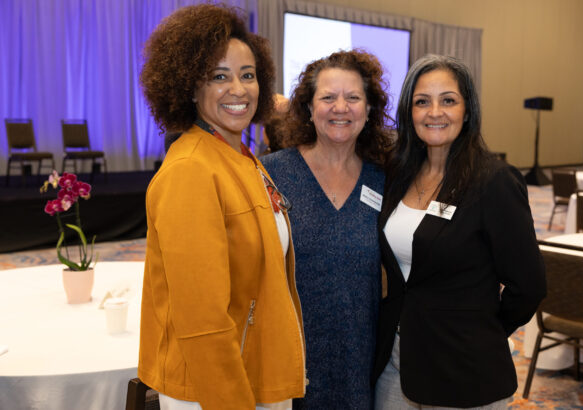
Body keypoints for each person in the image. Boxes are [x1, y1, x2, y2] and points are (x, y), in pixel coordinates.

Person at [138, 5, 306, 410]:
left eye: (248, 75)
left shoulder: (239, 157)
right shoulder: (192, 170)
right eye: (219, 76)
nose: (239, 89)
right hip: (214, 391)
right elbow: (202, 322)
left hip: (253, 369)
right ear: (190, 87)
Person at [372, 54, 546, 409]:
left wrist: (484, 331)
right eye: (422, 102)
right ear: (409, 112)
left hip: (464, 370)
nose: (434, 112)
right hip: (396, 360)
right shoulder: (398, 173)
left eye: (448, 100)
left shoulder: (493, 181)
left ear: (467, 110)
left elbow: (528, 286)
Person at [261, 50, 392, 409]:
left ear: (369, 109)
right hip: (288, 355)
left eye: (353, 97)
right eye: (328, 97)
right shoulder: (270, 174)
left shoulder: (384, 180)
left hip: (361, 354)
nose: (341, 107)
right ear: (308, 107)